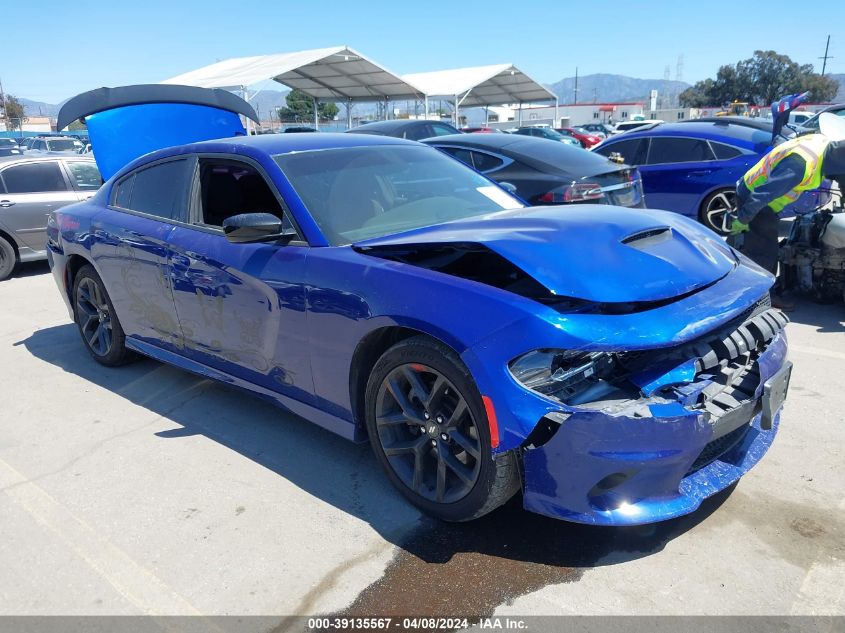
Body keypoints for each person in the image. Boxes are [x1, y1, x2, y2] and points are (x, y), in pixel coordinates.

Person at [729, 112, 845, 311]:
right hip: (754, 196)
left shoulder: (825, 144)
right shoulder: (802, 164)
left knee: (764, 242)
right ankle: (763, 296)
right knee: (765, 251)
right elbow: (763, 193)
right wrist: (743, 218)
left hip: (764, 198)